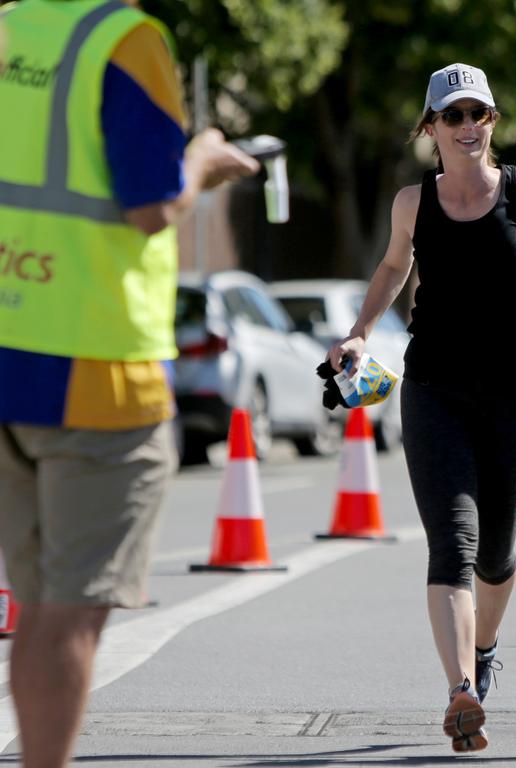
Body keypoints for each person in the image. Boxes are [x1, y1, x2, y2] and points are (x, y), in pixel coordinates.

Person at [0, 1, 259, 766]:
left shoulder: (12, 27)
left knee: (37, 608)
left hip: (10, 346)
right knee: (68, 617)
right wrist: (206, 160)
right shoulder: (127, 40)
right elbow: (153, 207)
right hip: (97, 364)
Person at [327, 62, 516, 753]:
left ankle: (482, 650)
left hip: (515, 394)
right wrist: (360, 332)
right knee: (454, 545)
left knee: (499, 554)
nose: (467, 126)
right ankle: (461, 691)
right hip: (435, 393)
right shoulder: (411, 204)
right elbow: (394, 268)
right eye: (452, 116)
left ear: (492, 122)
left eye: (478, 113)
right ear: (430, 129)